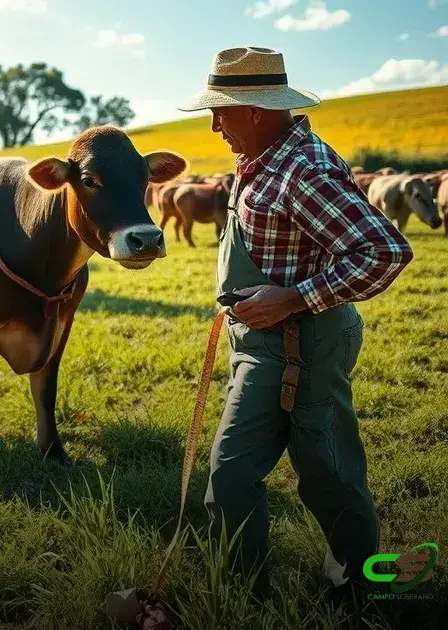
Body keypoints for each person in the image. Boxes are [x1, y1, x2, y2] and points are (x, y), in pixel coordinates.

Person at [177, 47, 413, 602]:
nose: (213, 126)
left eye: (221, 112)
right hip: (263, 343)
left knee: (325, 474)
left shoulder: (299, 171)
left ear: (256, 110)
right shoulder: (263, 157)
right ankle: (242, 595)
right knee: (237, 476)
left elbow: (384, 251)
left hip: (301, 345)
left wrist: (293, 299)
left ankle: (362, 590)